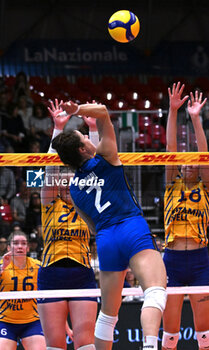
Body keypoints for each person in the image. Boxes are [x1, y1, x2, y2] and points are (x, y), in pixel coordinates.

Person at [52, 100, 167, 350]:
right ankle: (149, 346)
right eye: (84, 135)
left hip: (106, 239)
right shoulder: (106, 157)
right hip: (131, 226)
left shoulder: (73, 187)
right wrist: (78, 111)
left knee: (108, 314)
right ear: (84, 149)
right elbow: (103, 112)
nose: (87, 136)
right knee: (155, 291)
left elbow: (92, 227)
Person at [38, 99, 98, 350]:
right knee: (55, 344)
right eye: (60, 181)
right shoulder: (50, 204)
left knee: (85, 343)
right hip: (51, 273)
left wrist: (93, 129)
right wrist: (58, 129)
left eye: (68, 179)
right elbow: (51, 170)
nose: (64, 183)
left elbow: (97, 167)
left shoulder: (87, 204)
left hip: (81, 272)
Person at [162, 82, 209, 350]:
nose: (189, 161)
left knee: (204, 338)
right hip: (171, 261)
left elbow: (205, 156)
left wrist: (196, 119)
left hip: (199, 260)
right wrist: (173, 112)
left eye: (194, 159)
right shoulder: (172, 183)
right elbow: (171, 148)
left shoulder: (206, 188)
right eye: (184, 159)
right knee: (170, 338)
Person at [0, 231, 46, 350]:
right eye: (15, 243)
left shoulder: (38, 267)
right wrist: (3, 268)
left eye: (23, 243)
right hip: (5, 321)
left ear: (28, 247)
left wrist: (66, 328)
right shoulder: (1, 265)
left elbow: (53, 292)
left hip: (32, 321)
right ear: (9, 247)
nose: (20, 246)